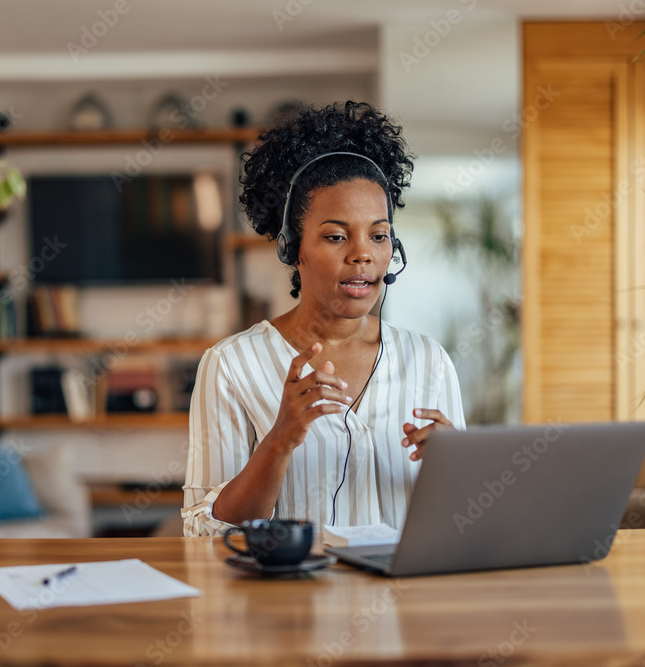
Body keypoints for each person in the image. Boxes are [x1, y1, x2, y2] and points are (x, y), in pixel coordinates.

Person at [181, 101, 465, 537]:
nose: (362, 254)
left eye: (379, 235)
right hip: (294, 602)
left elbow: (461, 519)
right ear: (292, 248)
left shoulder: (430, 361)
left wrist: (455, 469)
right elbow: (203, 530)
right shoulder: (231, 366)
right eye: (335, 236)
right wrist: (280, 440)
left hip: (405, 600)